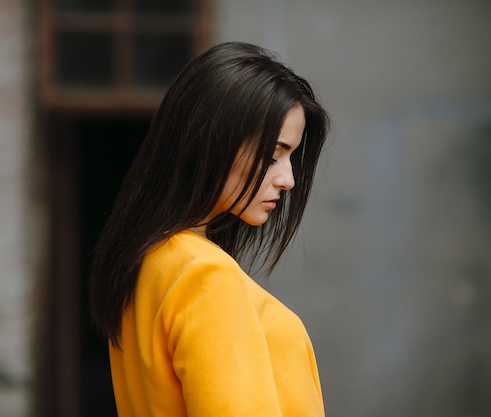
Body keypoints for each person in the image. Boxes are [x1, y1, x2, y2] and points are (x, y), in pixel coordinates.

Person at [89, 41, 330, 417]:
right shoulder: (206, 275)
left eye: (291, 156)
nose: (288, 179)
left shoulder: (150, 260)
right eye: (272, 156)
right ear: (212, 142)